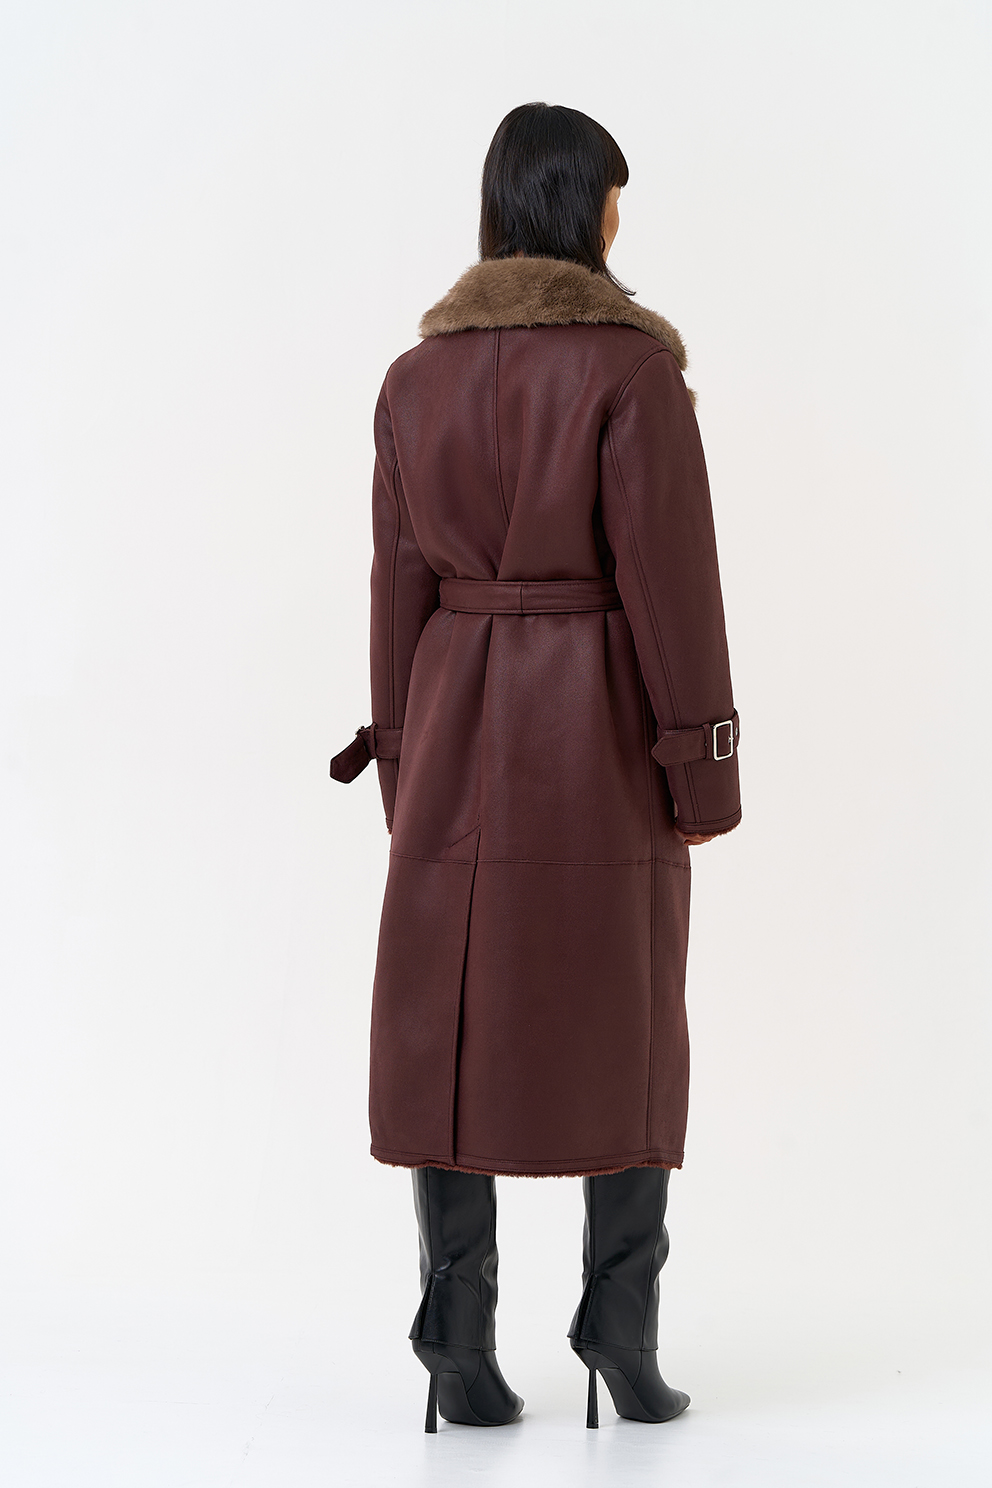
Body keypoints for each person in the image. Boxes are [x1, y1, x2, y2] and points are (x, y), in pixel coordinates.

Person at [331, 101, 741, 1432]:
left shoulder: (416, 379)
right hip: (599, 729)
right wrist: (703, 770)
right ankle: (621, 1332)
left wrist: (406, 769)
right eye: (615, 195)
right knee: (625, 1020)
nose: (622, 218)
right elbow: (672, 592)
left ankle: (456, 1338)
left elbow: (396, 591)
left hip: (454, 718)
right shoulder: (632, 371)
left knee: (445, 1027)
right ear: (585, 208)